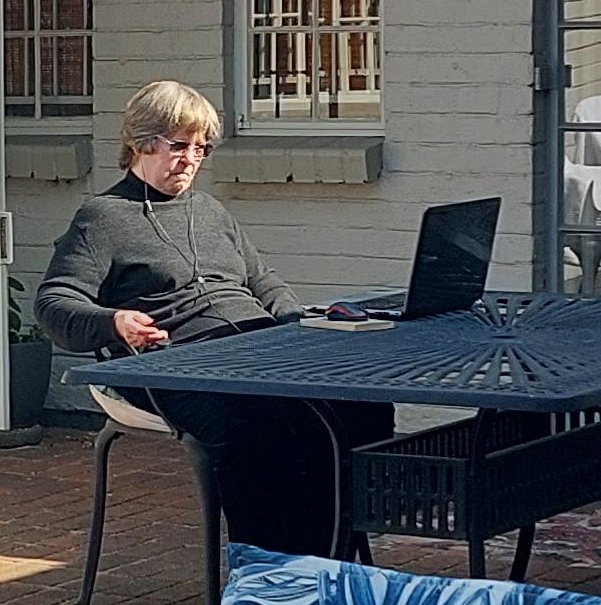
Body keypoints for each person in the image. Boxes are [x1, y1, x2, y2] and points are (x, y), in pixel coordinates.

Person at [33, 80, 383, 557]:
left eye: (202, 148)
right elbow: (55, 302)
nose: (191, 159)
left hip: (255, 347)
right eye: (178, 145)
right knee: (256, 421)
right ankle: (267, 577)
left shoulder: (211, 211)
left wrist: (298, 324)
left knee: (358, 403)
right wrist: (114, 321)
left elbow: (263, 282)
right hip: (174, 361)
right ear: (140, 141)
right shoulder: (103, 218)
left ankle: (335, 560)